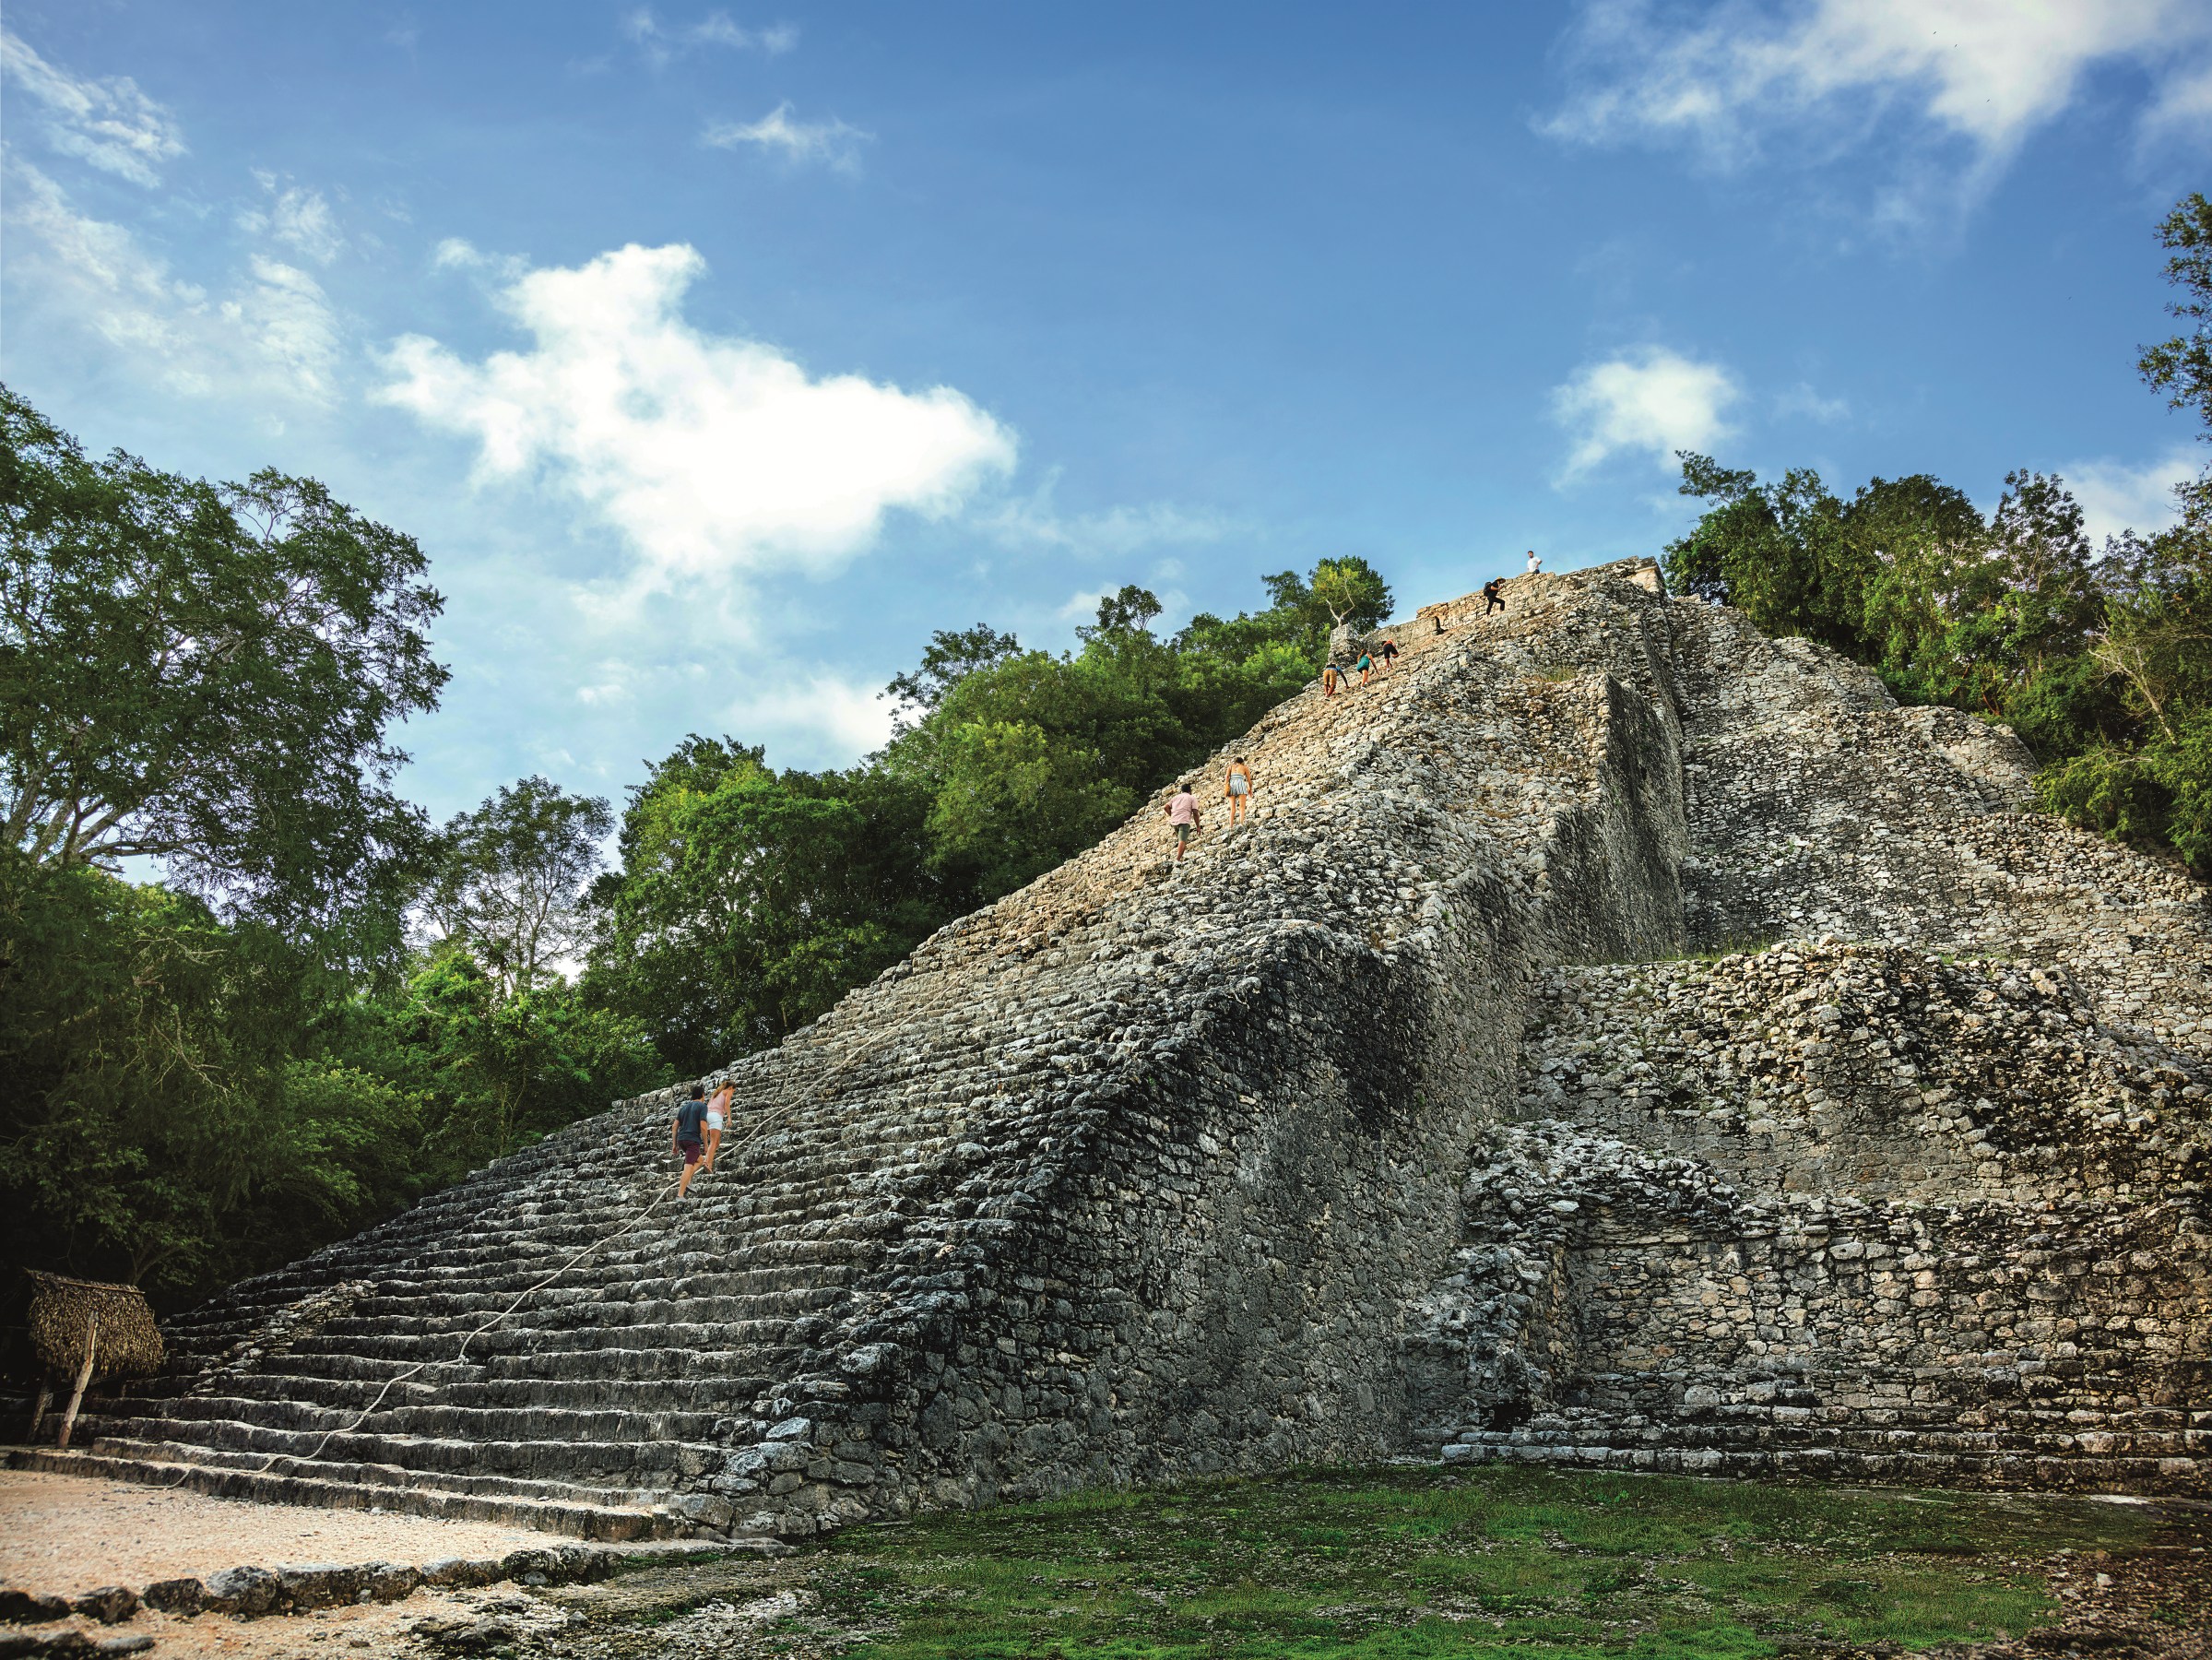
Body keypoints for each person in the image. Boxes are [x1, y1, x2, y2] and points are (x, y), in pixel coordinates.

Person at [672, 1084, 709, 1197]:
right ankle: (680, 1195)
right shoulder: (702, 1106)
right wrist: (706, 1145)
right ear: (703, 1095)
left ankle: (687, 1180)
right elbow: (703, 1126)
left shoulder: (683, 1108)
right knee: (688, 1166)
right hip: (692, 1140)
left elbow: (674, 1126)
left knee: (700, 1159)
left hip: (681, 1140)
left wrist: (674, 1144)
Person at [1165, 780, 1202, 860]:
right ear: (1190, 791)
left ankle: (1180, 857)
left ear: (1181, 791)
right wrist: (1198, 826)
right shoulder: (1192, 798)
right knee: (1182, 841)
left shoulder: (1175, 798)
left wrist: (1172, 815)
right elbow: (1195, 813)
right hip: (1184, 821)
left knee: (1181, 840)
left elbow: (1166, 807)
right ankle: (1177, 860)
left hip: (1174, 822)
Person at [704, 1077, 735, 1172]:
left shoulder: (716, 1094)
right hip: (716, 1116)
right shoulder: (727, 1091)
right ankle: (708, 1164)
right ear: (731, 1088)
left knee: (716, 1142)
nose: (733, 1093)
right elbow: (726, 1104)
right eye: (734, 1091)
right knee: (714, 1142)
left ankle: (708, 1161)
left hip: (707, 1116)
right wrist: (729, 1117)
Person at [1223, 756, 1254, 826]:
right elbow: (1249, 780)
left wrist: (1226, 786)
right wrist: (1250, 789)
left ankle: (1231, 826)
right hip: (1241, 785)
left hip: (1232, 785)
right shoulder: (1244, 767)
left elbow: (1227, 777)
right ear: (1242, 762)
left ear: (1235, 762)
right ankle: (1241, 824)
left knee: (1232, 809)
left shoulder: (1230, 767)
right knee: (1242, 807)